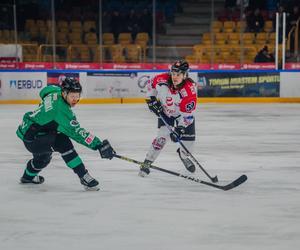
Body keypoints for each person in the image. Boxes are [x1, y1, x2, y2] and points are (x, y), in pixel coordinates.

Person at [16, 78, 116, 191]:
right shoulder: (61, 111)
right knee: (62, 142)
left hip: (30, 132)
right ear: (64, 93)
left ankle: (27, 178)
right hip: (33, 138)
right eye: (72, 96)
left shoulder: (55, 92)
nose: (75, 99)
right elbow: (77, 133)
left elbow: (44, 91)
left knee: (43, 158)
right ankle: (84, 176)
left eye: (77, 96)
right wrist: (98, 145)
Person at [139, 60, 197, 177]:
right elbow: (150, 86)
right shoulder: (161, 79)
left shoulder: (189, 91)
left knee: (188, 143)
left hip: (182, 115)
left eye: (178, 74)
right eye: (173, 73)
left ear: (185, 75)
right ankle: (147, 162)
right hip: (166, 112)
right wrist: (151, 101)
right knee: (162, 137)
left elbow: (187, 115)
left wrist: (180, 129)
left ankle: (183, 156)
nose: (175, 77)